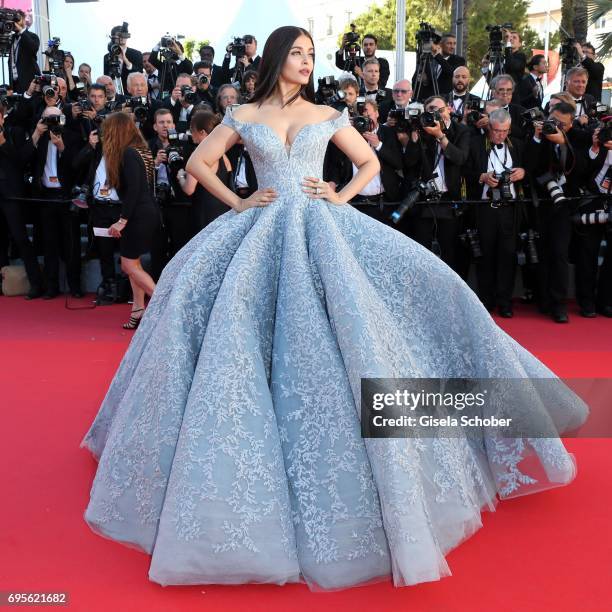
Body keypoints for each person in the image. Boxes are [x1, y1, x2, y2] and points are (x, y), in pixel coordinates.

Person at [82, 25, 587, 592]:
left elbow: (369, 165)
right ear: (276, 58)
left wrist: (339, 196)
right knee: (238, 323)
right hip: (263, 230)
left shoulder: (327, 112)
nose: (306, 62)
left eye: (312, 55)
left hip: (322, 226)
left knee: (404, 307)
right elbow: (200, 165)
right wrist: (242, 201)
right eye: (297, 53)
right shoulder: (243, 113)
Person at [102, 112, 158, 329]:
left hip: (138, 215)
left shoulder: (128, 153)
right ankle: (137, 309)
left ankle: (162, 301)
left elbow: (134, 189)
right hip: (143, 212)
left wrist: (122, 220)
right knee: (133, 262)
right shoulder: (140, 150)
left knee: (127, 264)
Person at [177, 110, 232, 232]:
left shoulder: (199, 155)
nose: (191, 135)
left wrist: (180, 176)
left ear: (202, 132)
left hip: (204, 213)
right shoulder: (223, 155)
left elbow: (189, 189)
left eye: (192, 131)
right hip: (223, 210)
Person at [8, 9, 40, 94]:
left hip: (30, 83)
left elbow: (33, 48)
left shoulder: (33, 36)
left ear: (24, 20)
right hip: (15, 84)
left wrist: (21, 30)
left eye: (17, 19)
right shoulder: (12, 38)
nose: (15, 22)